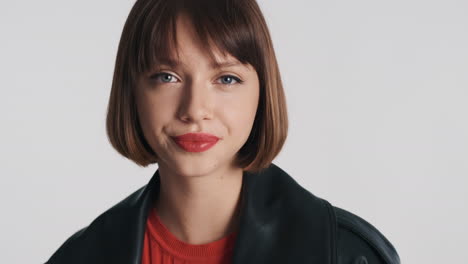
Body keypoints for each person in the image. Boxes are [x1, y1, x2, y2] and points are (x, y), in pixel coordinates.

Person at [45, 0, 401, 263]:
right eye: (167, 76)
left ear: (262, 94)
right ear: (132, 91)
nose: (195, 109)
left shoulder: (346, 255)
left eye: (226, 78)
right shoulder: (82, 256)